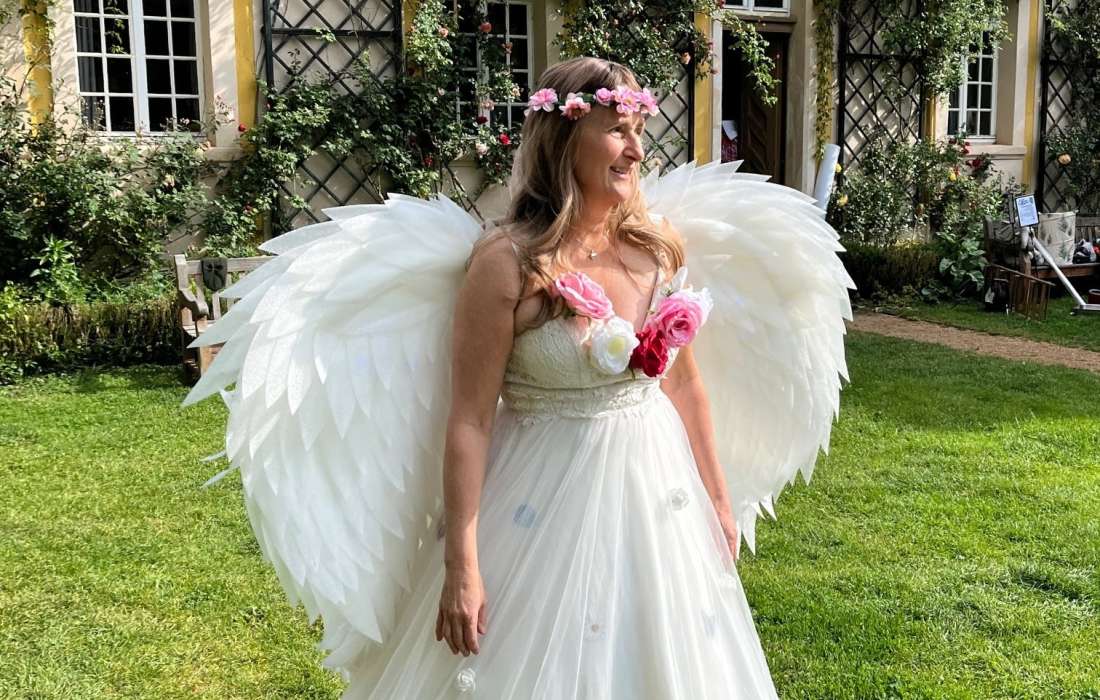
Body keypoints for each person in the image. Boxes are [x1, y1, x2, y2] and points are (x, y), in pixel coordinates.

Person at [184, 56, 853, 699]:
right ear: (565, 138)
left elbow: (683, 385)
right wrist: (462, 564)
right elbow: (471, 419)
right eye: (617, 130)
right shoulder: (507, 262)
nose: (635, 149)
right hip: (538, 500)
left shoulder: (657, 248)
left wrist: (718, 501)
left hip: (658, 496)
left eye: (639, 131)